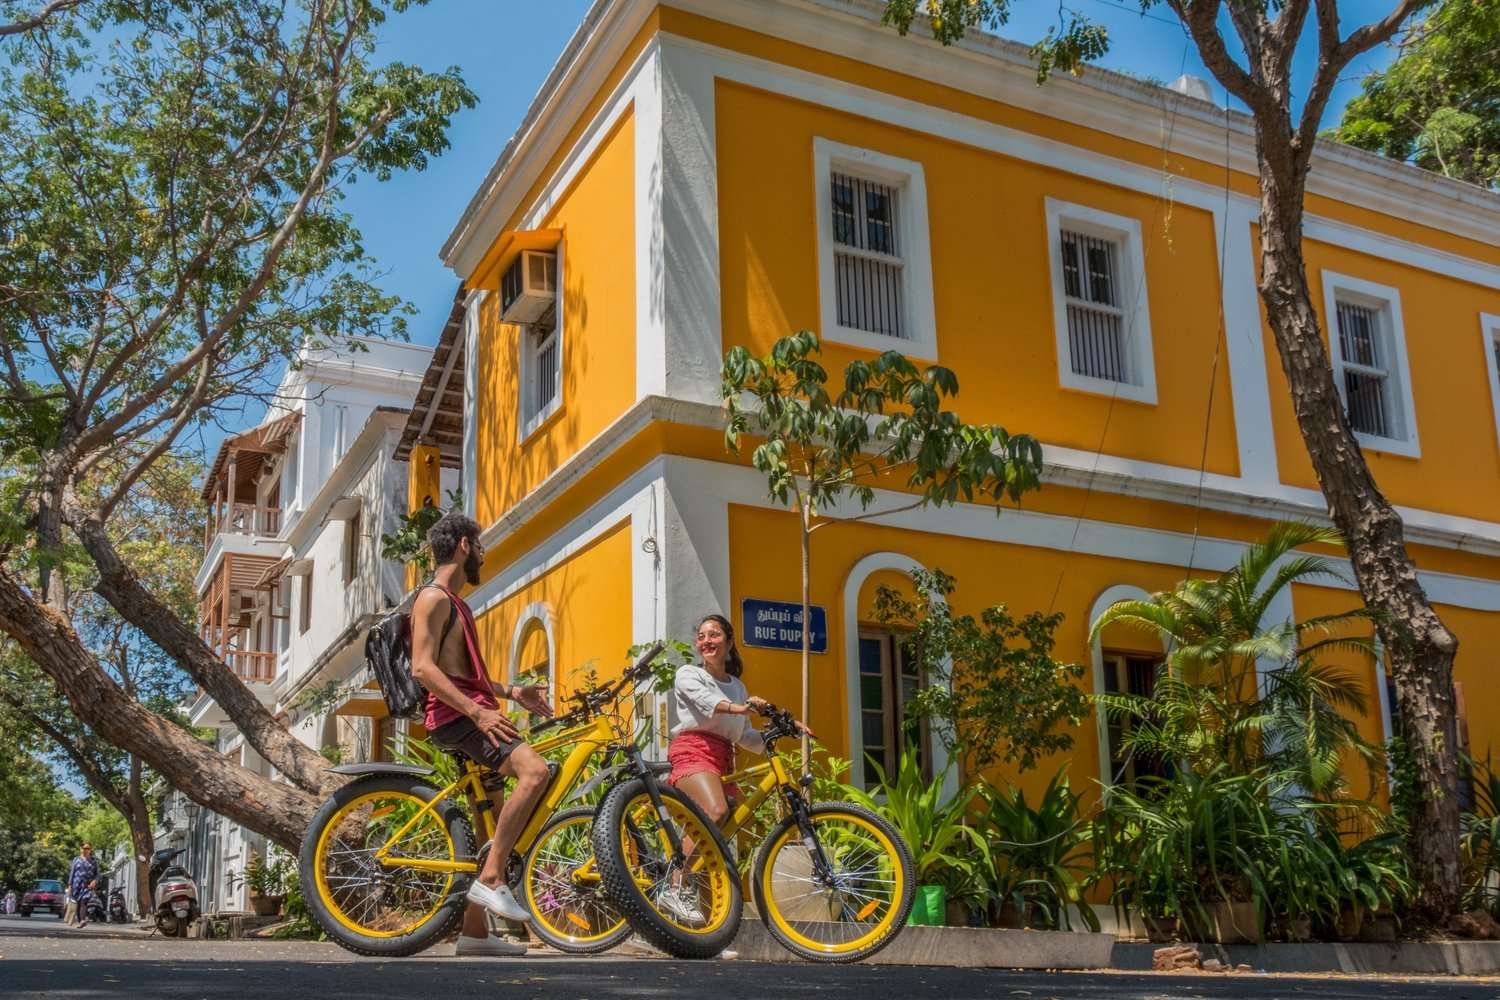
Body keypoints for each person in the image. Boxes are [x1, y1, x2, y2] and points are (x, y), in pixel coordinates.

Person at [410, 511, 554, 958]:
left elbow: (464, 675)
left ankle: (473, 933)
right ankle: (491, 879)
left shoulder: (456, 604)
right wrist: (478, 713)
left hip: (470, 713)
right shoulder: (433, 599)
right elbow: (422, 668)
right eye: (480, 546)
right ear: (464, 546)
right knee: (534, 772)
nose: (483, 555)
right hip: (459, 719)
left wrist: (513, 692)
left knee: (489, 825)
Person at [661, 614, 811, 925]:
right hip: (693, 752)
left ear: (729, 642)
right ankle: (672, 884)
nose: (707, 641)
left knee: (716, 842)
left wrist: (781, 731)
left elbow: (743, 736)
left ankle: (707, 930)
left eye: (714, 635)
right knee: (715, 811)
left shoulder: (738, 687)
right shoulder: (689, 674)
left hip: (722, 759)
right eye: (702, 636)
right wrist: (741, 708)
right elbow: (707, 702)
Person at [66, 843, 99, 929]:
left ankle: (82, 920)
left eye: (88, 848)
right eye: (84, 848)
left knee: (84, 901)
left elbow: (97, 874)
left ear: (90, 850)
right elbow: (72, 873)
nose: (86, 850)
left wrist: (94, 881)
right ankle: (81, 920)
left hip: (87, 885)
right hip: (76, 885)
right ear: (81, 849)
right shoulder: (76, 859)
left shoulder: (93, 861)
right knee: (78, 902)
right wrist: (70, 885)